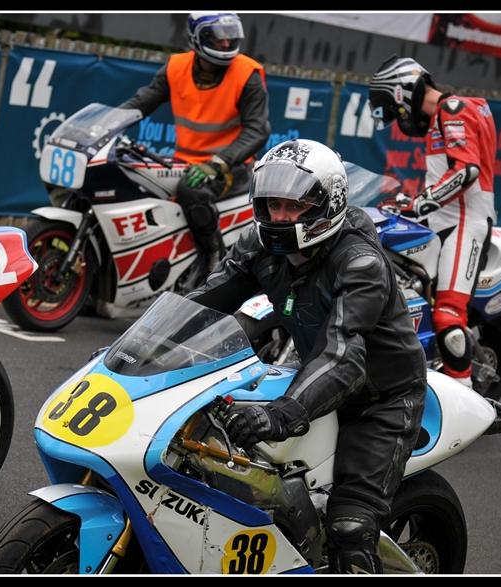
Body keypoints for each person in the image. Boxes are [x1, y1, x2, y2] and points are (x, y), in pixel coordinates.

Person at [188, 139, 427, 574]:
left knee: (350, 529)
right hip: (313, 376)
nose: (280, 217)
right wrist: (133, 350)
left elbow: (344, 354)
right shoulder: (259, 245)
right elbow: (200, 303)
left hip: (379, 400)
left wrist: (281, 413)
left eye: (294, 206)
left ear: (328, 202)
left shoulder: (359, 263)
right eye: (272, 204)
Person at [368, 55, 497, 388]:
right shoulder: (447, 113)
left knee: (447, 316)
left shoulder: (453, 108)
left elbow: (466, 170)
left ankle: (466, 403)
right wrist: (411, 204)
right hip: (444, 222)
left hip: (465, 225)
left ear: (402, 93)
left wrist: (421, 202)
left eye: (393, 110)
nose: (399, 120)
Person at [120, 11, 271, 277]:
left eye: (230, 37)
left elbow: (258, 130)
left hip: (230, 167)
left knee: (191, 190)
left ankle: (212, 257)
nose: (226, 44)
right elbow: (141, 102)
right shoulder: (175, 67)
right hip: (182, 163)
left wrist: (220, 162)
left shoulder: (247, 74)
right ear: (196, 38)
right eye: (218, 37)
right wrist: (107, 123)